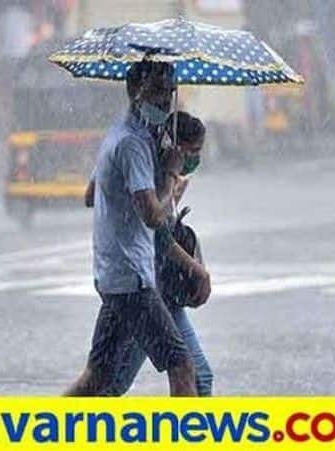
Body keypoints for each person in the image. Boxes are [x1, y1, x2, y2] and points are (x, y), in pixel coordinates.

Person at [64, 61, 211, 397]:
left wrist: (138, 184)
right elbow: (153, 217)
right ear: (134, 91)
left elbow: (91, 195)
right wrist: (171, 177)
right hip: (133, 278)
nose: (163, 100)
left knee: (98, 379)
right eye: (157, 91)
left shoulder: (119, 134)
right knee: (182, 366)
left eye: (169, 92)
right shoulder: (132, 144)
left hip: (115, 274)